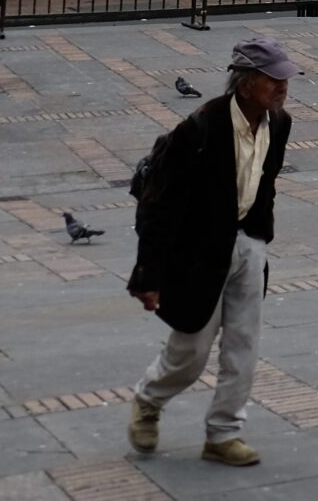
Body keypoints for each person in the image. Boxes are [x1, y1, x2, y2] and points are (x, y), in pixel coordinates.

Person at [127, 37, 297, 468]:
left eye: (284, 77)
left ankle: (223, 434)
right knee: (192, 349)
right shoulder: (199, 129)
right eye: (273, 78)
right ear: (244, 84)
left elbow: (266, 181)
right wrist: (149, 277)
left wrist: (260, 237)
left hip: (246, 242)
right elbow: (158, 207)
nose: (283, 86)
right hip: (198, 251)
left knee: (244, 344)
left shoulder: (280, 123)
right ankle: (149, 400)